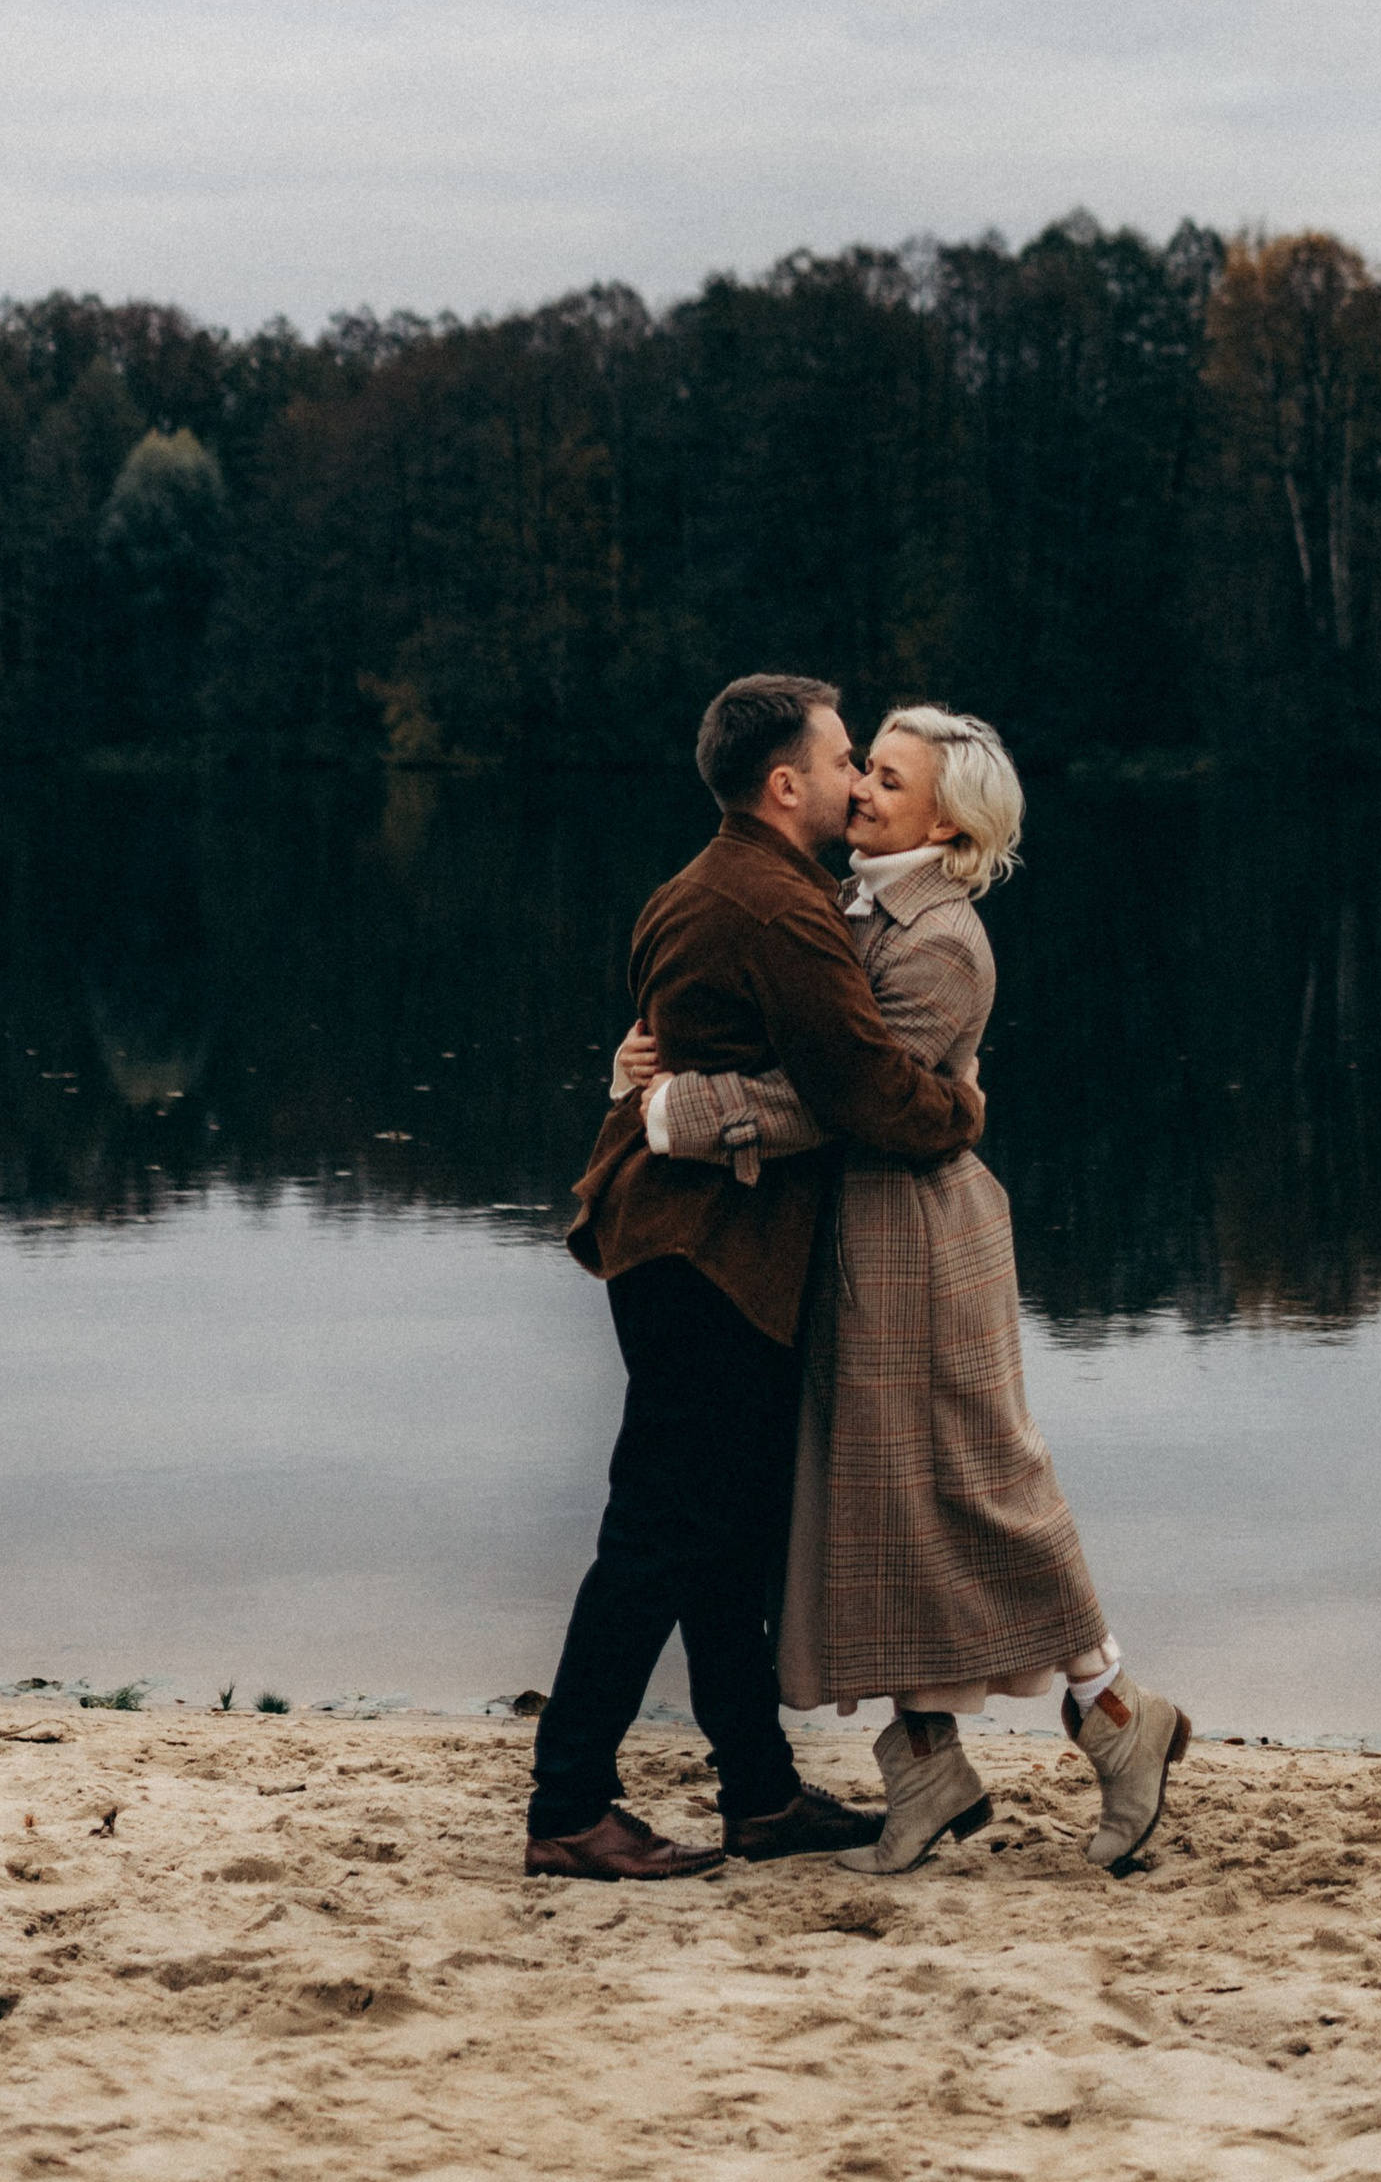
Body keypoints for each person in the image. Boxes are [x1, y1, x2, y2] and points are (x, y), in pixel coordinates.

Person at [621, 705, 1191, 1878]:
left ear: (946, 818)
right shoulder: (848, 903)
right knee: (874, 1495)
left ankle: (1118, 1712)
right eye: (862, 769)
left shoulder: (939, 940)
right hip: (850, 1233)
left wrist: (680, 1111)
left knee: (980, 1477)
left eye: (886, 779)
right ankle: (923, 1759)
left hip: (921, 1233)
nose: (861, 792)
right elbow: (781, 1032)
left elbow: (842, 1093)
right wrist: (644, 1056)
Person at [524, 674, 987, 1883]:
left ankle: (760, 1795)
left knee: (722, 1537)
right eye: (843, 762)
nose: (855, 780)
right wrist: (960, 1110)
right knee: (661, 1533)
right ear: (786, 784)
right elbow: (864, 1091)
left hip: (680, 1242)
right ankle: (569, 1802)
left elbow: (679, 1036)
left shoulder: (710, 879)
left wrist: (639, 1079)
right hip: (703, 1253)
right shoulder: (777, 909)